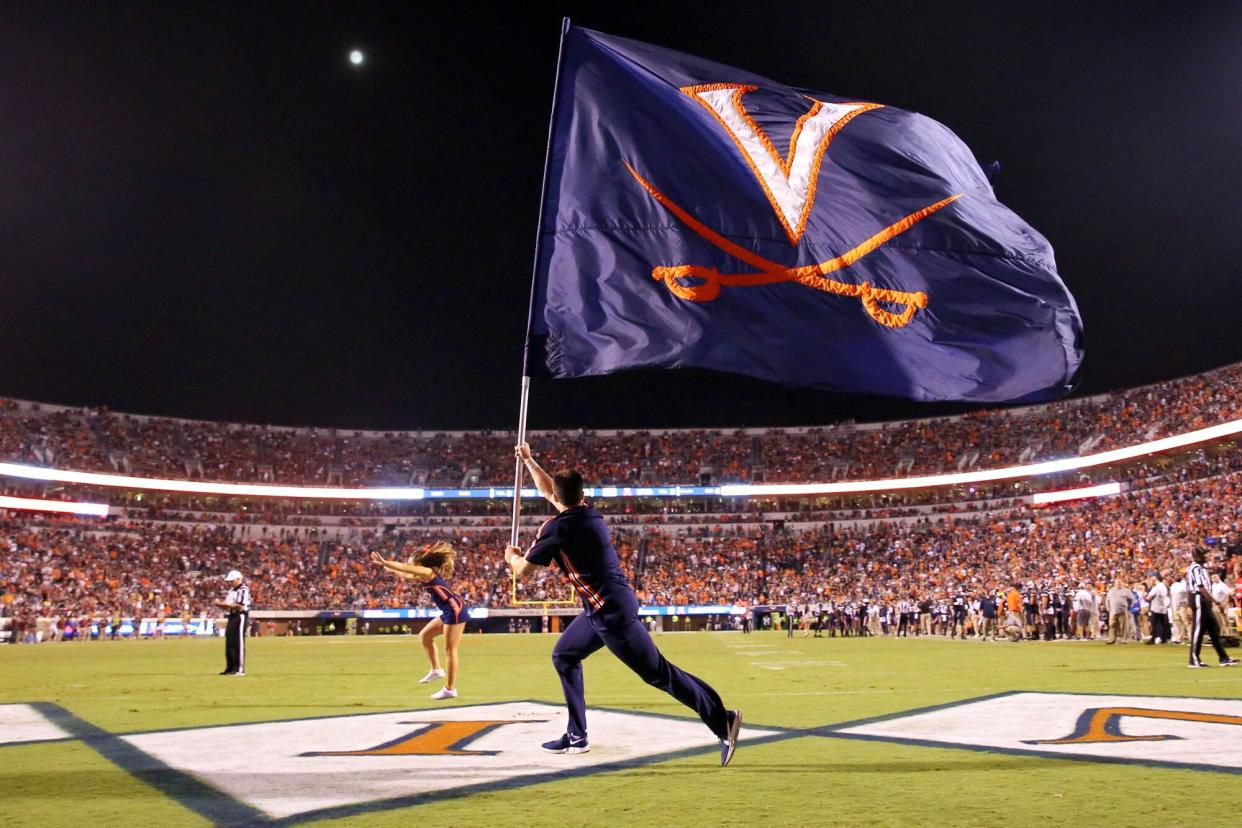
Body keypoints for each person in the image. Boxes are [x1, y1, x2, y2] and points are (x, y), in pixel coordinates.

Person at [504, 442, 741, 766]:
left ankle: (722, 719)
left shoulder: (556, 529)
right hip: (600, 607)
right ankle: (577, 736)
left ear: (559, 499)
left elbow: (524, 572)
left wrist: (512, 557)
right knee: (564, 655)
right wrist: (529, 461)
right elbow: (551, 493)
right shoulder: (587, 513)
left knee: (660, 674)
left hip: (610, 614)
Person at [370, 541, 466, 699]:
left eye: (411, 562)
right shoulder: (423, 574)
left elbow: (406, 569)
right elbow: (406, 574)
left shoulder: (427, 571)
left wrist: (385, 561)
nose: (409, 564)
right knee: (425, 636)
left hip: (455, 609)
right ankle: (436, 670)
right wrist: (385, 566)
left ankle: (450, 689)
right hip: (449, 609)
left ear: (418, 563)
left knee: (450, 650)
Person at [1185, 548, 1239, 668]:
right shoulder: (1195, 568)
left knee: (1214, 629)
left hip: (1203, 600)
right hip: (1199, 599)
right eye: (1202, 555)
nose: (1205, 557)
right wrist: (1215, 601)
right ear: (1197, 556)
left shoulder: (1199, 569)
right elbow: (1201, 587)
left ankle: (1223, 658)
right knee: (1198, 630)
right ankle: (1194, 660)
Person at [214, 570, 251, 676]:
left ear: (239, 579)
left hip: (240, 615)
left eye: (232, 580)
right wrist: (220, 604)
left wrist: (223, 604)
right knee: (229, 642)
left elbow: (240, 606)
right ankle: (230, 668)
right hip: (232, 616)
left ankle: (239, 669)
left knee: (238, 642)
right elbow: (227, 604)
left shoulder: (244, 589)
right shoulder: (231, 591)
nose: (231, 583)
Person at [1104, 577, 1132, 645]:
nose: (1119, 583)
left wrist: (1128, 607)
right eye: (1117, 582)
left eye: (1120, 582)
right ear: (1114, 583)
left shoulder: (1126, 590)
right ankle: (1112, 639)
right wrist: (1108, 608)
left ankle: (1124, 640)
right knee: (1112, 625)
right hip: (1113, 610)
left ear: (1122, 583)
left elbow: (1131, 599)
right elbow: (1107, 600)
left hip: (1123, 609)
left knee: (1124, 626)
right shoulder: (1111, 591)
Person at [1145, 573, 1171, 644]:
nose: (1150, 581)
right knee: (1162, 624)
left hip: (1156, 608)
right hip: (1163, 608)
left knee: (1154, 624)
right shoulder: (1163, 586)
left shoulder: (1156, 587)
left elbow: (1149, 597)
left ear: (1154, 579)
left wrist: (1146, 597)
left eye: (1151, 579)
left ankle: (1154, 638)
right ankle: (1163, 638)